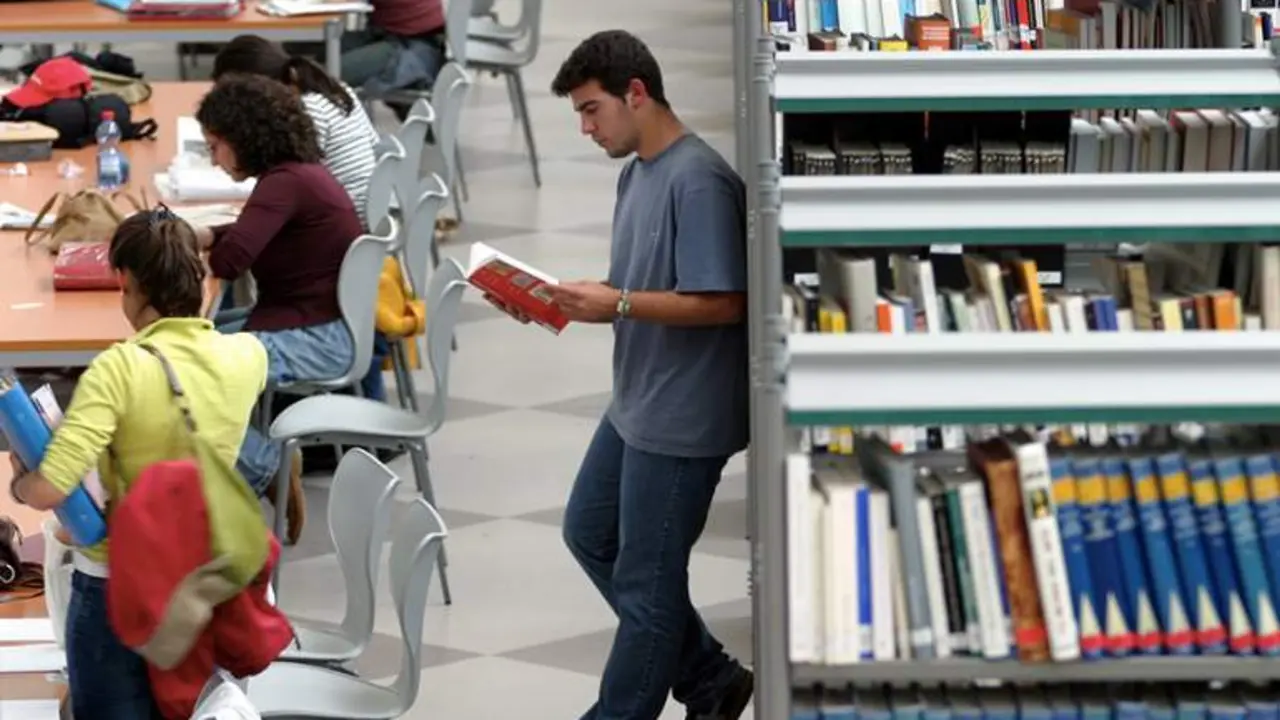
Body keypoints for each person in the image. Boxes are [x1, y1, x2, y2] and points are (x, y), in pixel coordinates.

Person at [544, 29, 753, 720]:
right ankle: (711, 677)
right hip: (638, 398)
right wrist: (569, 303)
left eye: (592, 109)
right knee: (589, 532)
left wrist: (622, 302)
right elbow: (638, 289)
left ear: (637, 93)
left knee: (647, 584)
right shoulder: (637, 173)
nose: (585, 127)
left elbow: (724, 300)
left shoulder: (701, 182)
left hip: (683, 418)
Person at [7, 210, 272, 719]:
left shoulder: (119, 369)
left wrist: (22, 482)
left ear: (126, 283)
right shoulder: (248, 357)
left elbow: (50, 490)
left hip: (117, 584)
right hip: (203, 576)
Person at [192, 74, 365, 544]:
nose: (213, 159)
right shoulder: (297, 174)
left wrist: (208, 242)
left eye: (215, 146)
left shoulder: (283, 184)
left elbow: (231, 261)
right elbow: (254, 234)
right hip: (317, 322)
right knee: (193, 347)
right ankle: (235, 467)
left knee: (185, 374)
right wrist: (207, 235)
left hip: (318, 338)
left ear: (243, 138)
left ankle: (265, 462)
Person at [212, 35, 381, 228]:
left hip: (344, 226)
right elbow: (375, 144)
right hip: (369, 210)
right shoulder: (336, 90)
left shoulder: (303, 114)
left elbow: (286, 189)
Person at [288, 0, 446, 119]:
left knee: (324, 75)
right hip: (387, 32)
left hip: (415, 46)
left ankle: (315, 142)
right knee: (295, 47)